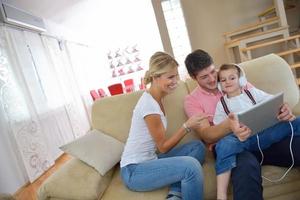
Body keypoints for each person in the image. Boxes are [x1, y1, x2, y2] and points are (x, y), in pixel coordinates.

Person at [184, 49, 300, 200]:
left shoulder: (235, 79)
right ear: (194, 77)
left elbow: (265, 103)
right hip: (235, 149)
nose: (213, 79)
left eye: (213, 71)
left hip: (262, 138)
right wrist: (229, 125)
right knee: (246, 169)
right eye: (205, 77)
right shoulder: (192, 100)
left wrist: (283, 108)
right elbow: (207, 135)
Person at [120, 51, 207, 200]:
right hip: (134, 171)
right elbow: (163, 147)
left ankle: (175, 194)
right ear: (155, 77)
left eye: (176, 76)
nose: (176, 81)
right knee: (191, 167)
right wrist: (187, 126)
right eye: (171, 77)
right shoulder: (149, 106)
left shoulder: (156, 98)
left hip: (150, 159)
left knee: (197, 147)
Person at [213, 63, 300, 200]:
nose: (227, 82)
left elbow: (274, 102)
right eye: (223, 80)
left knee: (296, 121)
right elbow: (219, 127)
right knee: (224, 144)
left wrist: (283, 108)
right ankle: (221, 195)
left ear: (241, 80)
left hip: (266, 134)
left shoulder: (252, 93)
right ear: (219, 85)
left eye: (232, 78)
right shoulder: (221, 104)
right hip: (244, 141)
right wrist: (233, 128)